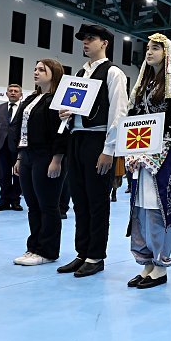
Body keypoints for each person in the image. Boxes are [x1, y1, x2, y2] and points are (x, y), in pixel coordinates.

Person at [57, 24, 128, 278]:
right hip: (76, 138)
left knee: (97, 200)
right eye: (83, 39)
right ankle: (82, 252)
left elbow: (118, 113)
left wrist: (109, 149)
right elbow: (76, 107)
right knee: (79, 199)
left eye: (90, 39)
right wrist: (67, 113)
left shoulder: (113, 73)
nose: (85, 43)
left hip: (97, 141)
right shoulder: (80, 73)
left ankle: (96, 256)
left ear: (104, 43)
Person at [125, 33, 171, 289]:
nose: (149, 52)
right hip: (140, 155)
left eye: (155, 48)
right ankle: (146, 262)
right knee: (140, 208)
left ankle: (160, 266)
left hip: (162, 156)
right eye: (147, 48)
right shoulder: (142, 85)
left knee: (158, 210)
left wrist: (152, 153)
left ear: (167, 53)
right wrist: (133, 151)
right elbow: (132, 118)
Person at [11, 59, 69, 266]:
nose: (36, 72)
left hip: (47, 156)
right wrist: (19, 157)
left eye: (41, 69)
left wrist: (57, 160)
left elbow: (62, 132)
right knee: (32, 205)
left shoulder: (59, 100)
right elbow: (22, 130)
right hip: (27, 155)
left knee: (48, 205)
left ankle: (48, 250)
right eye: (35, 69)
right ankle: (33, 247)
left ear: (53, 73)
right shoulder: (31, 98)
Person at [0, 84, 24, 211]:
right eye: (11, 91)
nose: (13, 93)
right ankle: (4, 201)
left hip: (19, 147)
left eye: (16, 91)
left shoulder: (24, 108)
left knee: (18, 175)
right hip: (1, 146)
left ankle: (15, 201)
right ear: (7, 93)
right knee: (3, 175)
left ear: (21, 95)